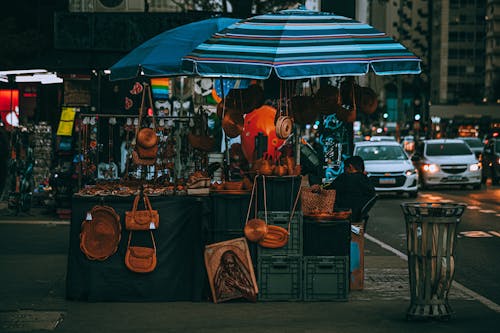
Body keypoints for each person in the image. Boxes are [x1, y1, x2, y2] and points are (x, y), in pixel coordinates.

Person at [325, 155, 375, 222]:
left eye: (345, 168)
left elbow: (328, 191)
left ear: (350, 167)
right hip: (357, 215)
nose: (344, 171)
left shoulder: (345, 177)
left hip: (343, 214)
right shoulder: (367, 180)